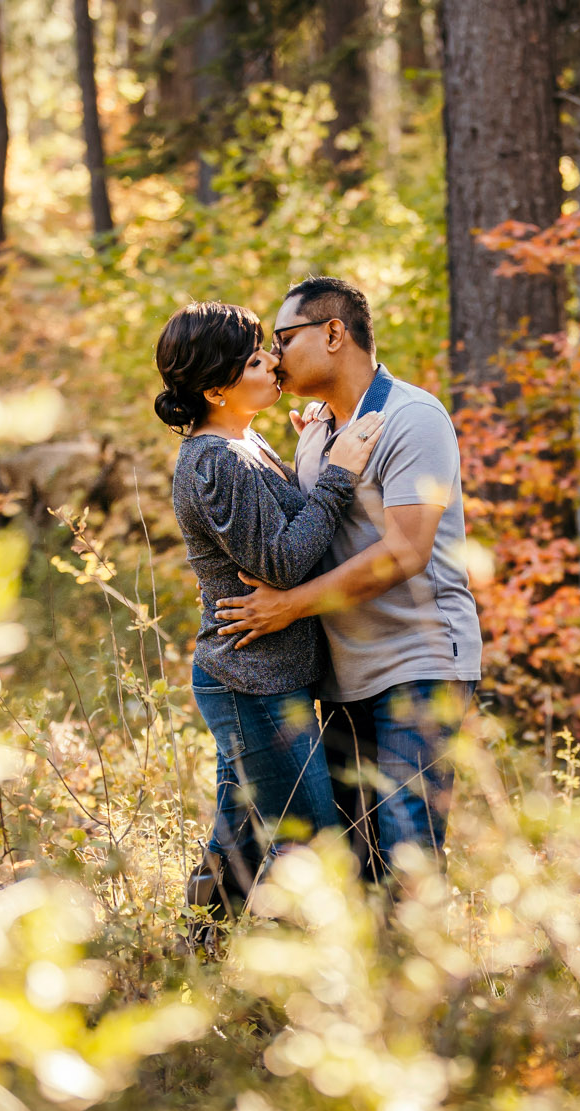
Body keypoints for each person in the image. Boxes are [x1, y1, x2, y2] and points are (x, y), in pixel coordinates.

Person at [216, 276, 484, 883]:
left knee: (408, 851)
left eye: (284, 337)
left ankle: (425, 975)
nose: (275, 356)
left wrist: (287, 607)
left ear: (334, 333)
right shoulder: (319, 431)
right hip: (342, 675)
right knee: (355, 866)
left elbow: (405, 552)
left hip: (418, 663)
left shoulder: (412, 418)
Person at [154, 301, 385, 919]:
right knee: (307, 845)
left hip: (267, 676)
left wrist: (312, 439)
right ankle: (287, 990)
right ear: (215, 388)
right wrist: (338, 474)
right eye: (257, 360)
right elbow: (282, 562)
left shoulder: (244, 442)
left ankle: (198, 960)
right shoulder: (217, 463)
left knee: (235, 848)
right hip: (249, 684)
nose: (275, 362)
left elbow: (281, 523)